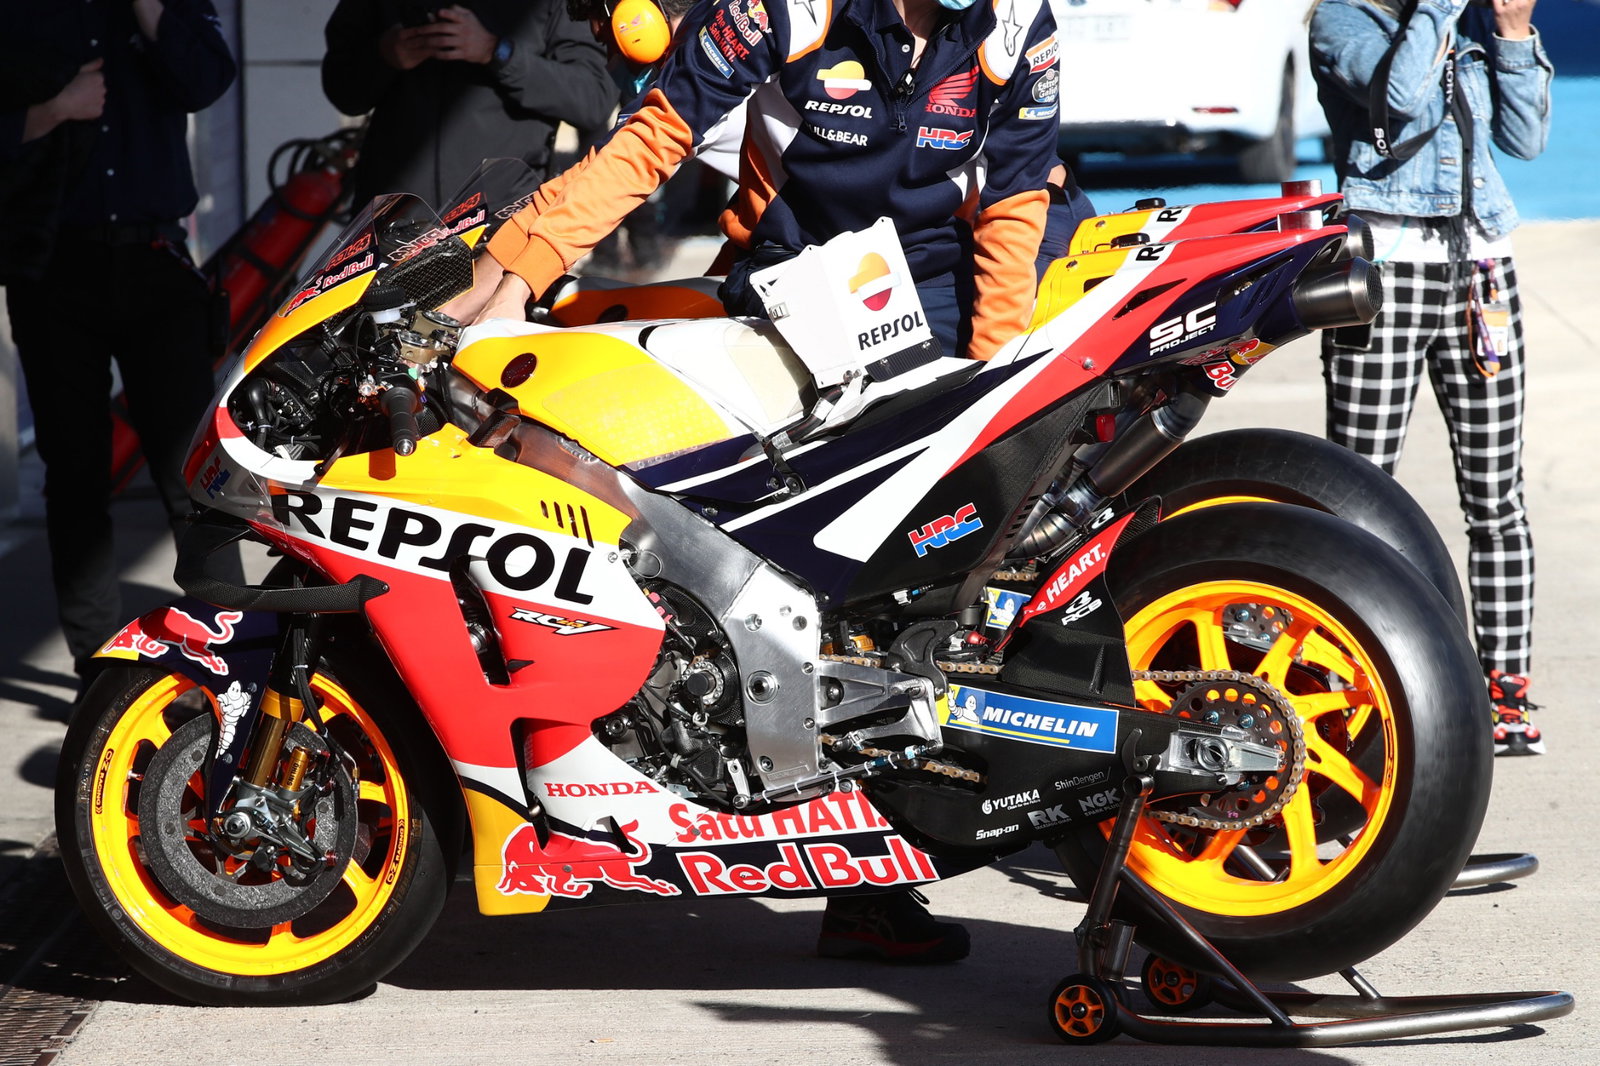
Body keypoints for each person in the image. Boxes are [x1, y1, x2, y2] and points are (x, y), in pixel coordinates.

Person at [474, 0, 1063, 364]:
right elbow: (644, 145)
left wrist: (995, 374)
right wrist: (519, 274)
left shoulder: (1021, 25)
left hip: (932, 277)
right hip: (793, 276)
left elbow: (1015, 209)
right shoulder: (784, 7)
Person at [1308, 0, 1552, 753]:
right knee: (1357, 497)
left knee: (1497, 497)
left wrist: (1512, 33)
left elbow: (1526, 139)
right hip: (1383, 272)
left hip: (1481, 272)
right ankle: (1344, 695)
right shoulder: (1340, 23)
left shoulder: (1467, 23)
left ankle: (1505, 690)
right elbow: (1400, 105)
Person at [1, 0, 236, 696]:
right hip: (52, 267)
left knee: (195, 474)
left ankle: (230, 651)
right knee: (75, 474)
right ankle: (98, 670)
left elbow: (206, 80)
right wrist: (48, 112)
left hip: (156, 260)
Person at [322, 1, 619, 209]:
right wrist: (384, 57)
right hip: (390, 221)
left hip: (498, 223)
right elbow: (342, 91)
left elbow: (593, 99)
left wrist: (497, 53)